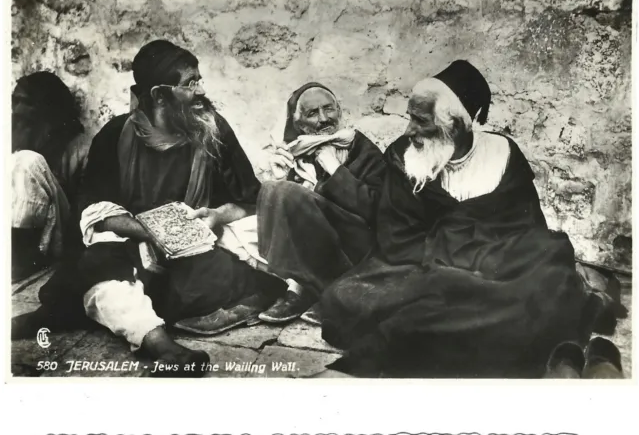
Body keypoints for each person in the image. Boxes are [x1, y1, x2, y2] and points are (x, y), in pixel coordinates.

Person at [320, 60, 593, 378]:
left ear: (468, 120)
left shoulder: (503, 155)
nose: (410, 130)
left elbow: (527, 231)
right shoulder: (402, 155)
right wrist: (455, 261)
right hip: (422, 268)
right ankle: (498, 325)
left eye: (422, 121)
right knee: (346, 298)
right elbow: (396, 242)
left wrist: (481, 260)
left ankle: (461, 323)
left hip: (497, 266)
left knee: (553, 274)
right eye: (410, 118)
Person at [39, 40, 285, 375]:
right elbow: (95, 209)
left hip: (200, 248)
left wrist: (216, 216)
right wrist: (150, 232)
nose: (200, 91)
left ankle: (160, 307)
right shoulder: (115, 135)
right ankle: (161, 344)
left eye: (199, 80)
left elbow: (249, 198)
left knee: (251, 238)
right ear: (158, 96)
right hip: (133, 247)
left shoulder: (214, 129)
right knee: (99, 265)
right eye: (189, 84)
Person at [256, 83, 386, 325]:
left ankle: (332, 292)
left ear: (340, 111)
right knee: (272, 188)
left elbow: (376, 208)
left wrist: (334, 170)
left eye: (329, 109)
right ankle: (303, 288)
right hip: (318, 245)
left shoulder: (361, 149)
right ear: (297, 123)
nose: (324, 119)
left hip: (356, 247)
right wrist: (279, 176)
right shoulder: (294, 154)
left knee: (285, 193)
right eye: (312, 113)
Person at [11, 72, 89, 281]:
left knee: (27, 161)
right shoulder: (13, 136)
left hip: (57, 234)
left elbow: (83, 210)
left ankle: (19, 259)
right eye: (14, 101)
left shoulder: (81, 148)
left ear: (47, 106)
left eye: (26, 102)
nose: (17, 110)